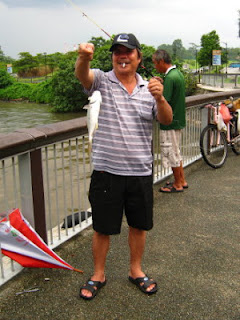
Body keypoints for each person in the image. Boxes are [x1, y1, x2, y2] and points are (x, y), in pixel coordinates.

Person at [75, 33, 172, 300]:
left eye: (128, 52)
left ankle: (136, 270)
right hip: (106, 170)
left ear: (139, 58)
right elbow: (83, 76)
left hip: (140, 171)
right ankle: (98, 274)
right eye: (117, 51)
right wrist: (84, 57)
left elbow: (166, 119)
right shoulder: (101, 81)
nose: (122, 56)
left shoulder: (150, 88)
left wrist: (161, 99)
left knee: (139, 226)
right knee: (102, 228)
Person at [152, 49, 188, 193]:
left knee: (172, 152)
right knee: (176, 152)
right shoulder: (176, 74)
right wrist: (163, 82)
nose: (155, 67)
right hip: (178, 120)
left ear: (161, 61)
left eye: (155, 63)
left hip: (170, 123)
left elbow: (163, 102)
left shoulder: (170, 78)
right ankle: (182, 180)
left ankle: (177, 184)